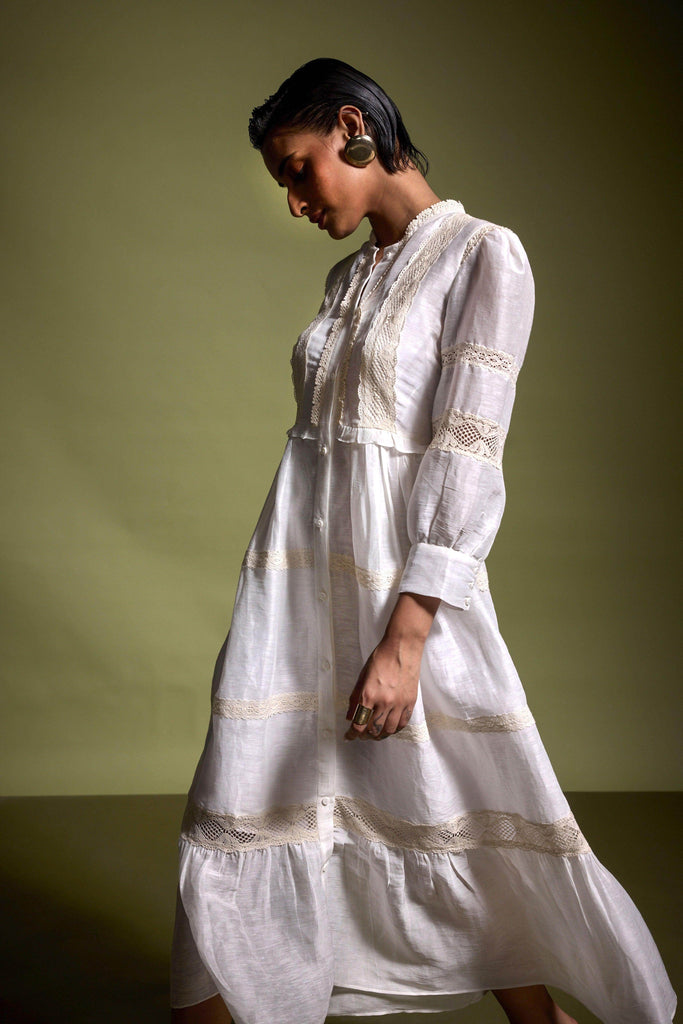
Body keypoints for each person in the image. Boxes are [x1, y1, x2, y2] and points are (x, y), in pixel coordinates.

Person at [170, 59, 676, 1024]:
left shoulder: (484, 256)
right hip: (297, 588)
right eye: (282, 182)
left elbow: (467, 450)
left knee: (448, 804)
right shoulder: (346, 276)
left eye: (298, 168)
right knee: (263, 803)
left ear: (351, 127)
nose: (294, 201)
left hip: (403, 588)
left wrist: (405, 638)